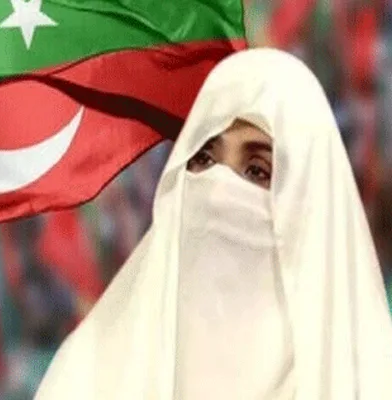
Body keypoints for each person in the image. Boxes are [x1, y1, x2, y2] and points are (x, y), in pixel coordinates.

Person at [34, 48, 392, 399]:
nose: (218, 191)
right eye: (203, 159)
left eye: (257, 171)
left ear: (313, 202)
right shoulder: (90, 374)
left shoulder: (364, 380)